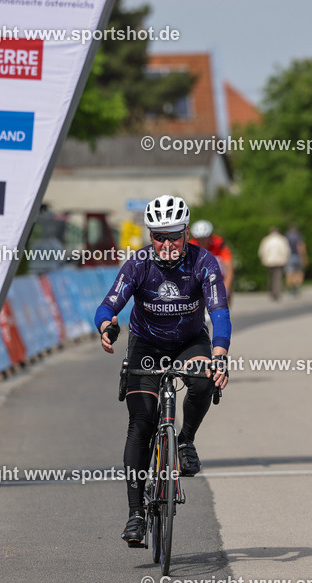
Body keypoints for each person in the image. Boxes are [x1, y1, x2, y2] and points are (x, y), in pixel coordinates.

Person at [96, 195, 230, 546]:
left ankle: (185, 441)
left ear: (187, 233)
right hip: (146, 344)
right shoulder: (138, 263)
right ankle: (136, 512)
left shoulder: (204, 262)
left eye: (173, 235)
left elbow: (219, 312)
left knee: (202, 379)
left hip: (189, 340)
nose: (167, 244)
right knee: (141, 421)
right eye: (159, 236)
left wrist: (220, 353)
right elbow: (110, 304)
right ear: (150, 235)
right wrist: (105, 325)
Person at [189, 219, 234, 306]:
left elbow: (229, 269)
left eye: (205, 238)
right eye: (199, 239)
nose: (202, 241)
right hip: (198, 277)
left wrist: (226, 288)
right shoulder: (190, 245)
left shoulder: (219, 244)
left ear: (210, 236)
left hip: (219, 276)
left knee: (226, 297)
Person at [258, 226, 290, 301]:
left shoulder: (266, 239)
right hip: (279, 261)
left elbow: (262, 251)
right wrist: (285, 259)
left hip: (269, 261)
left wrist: (263, 259)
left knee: (271, 277)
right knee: (278, 277)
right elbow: (286, 250)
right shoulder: (282, 239)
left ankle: (272, 291)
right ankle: (277, 292)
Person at [285, 224, 308, 296]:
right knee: (298, 272)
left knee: (289, 273)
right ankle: (297, 287)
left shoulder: (286, 236)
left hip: (288, 256)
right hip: (297, 256)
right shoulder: (298, 236)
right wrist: (303, 257)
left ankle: (291, 288)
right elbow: (301, 246)